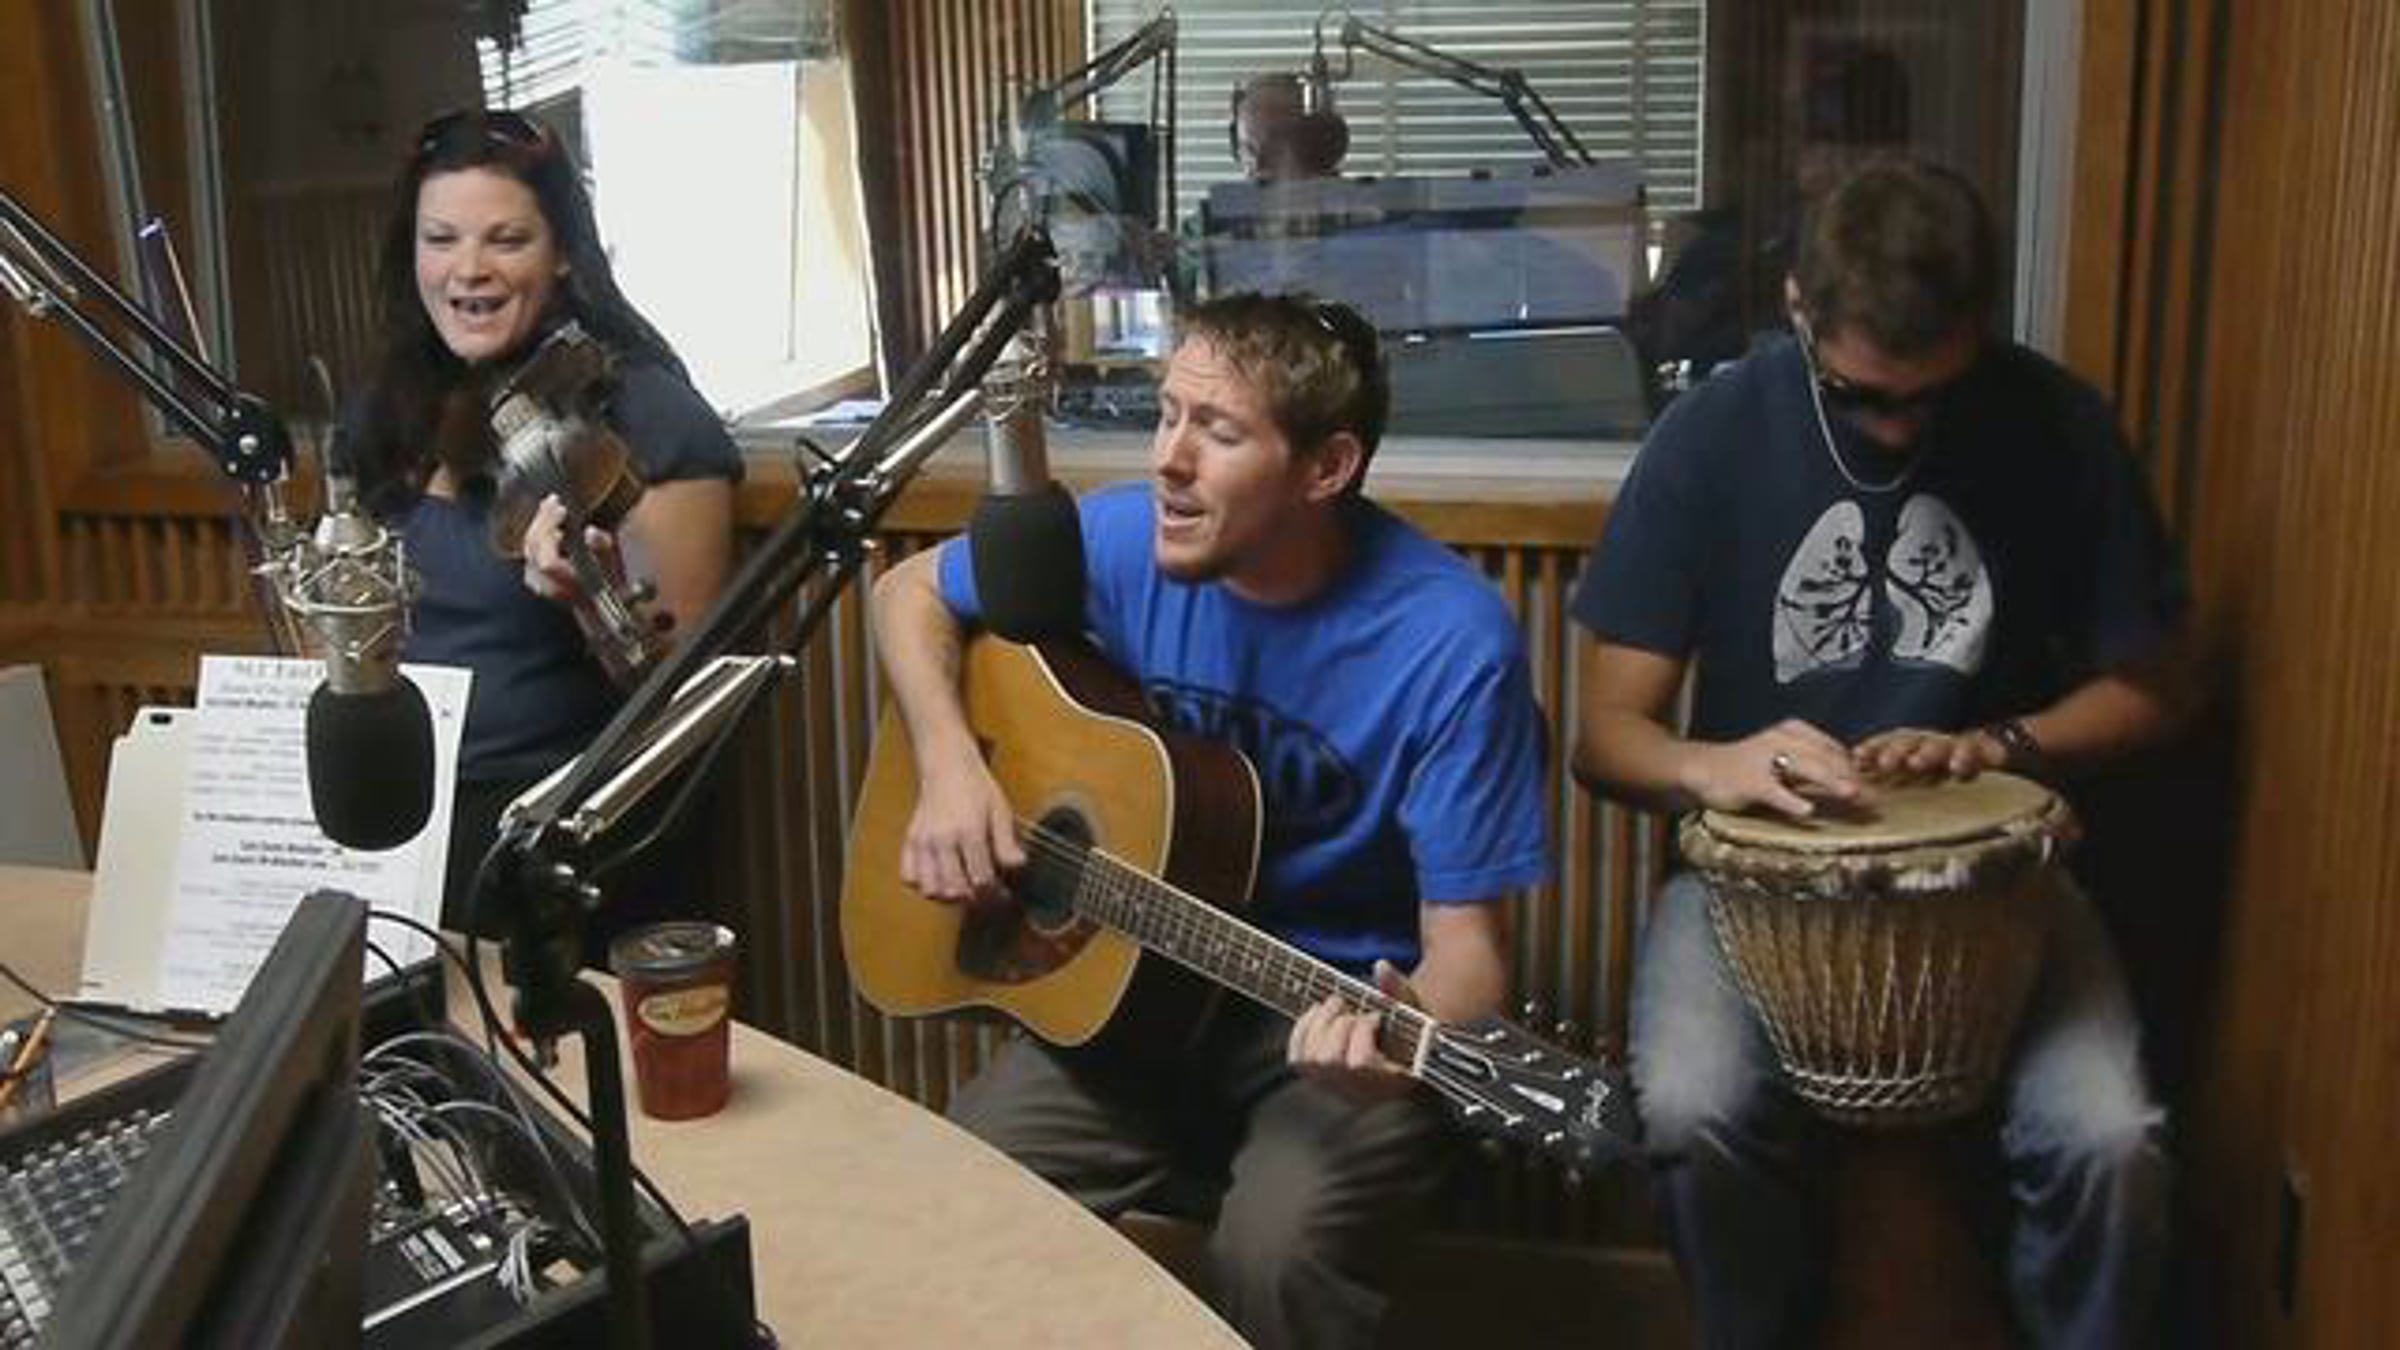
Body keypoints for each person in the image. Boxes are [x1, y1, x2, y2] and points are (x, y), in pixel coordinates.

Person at [1571, 156, 2183, 1348]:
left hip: (1997, 882)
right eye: (1860, 398)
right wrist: (1718, 765)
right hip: (1758, 880)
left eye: (1930, 397)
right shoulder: (1713, 436)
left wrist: (2004, 744)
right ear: (1797, 306)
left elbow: (2158, 692)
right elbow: (1607, 736)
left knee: (2112, 1141)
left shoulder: (2058, 425)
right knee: (1692, 1111)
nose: (1897, 428)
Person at [869, 292, 1550, 1349]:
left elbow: (1472, 965)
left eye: (1218, 432)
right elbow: (908, 592)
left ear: (1326, 468)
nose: (1168, 461)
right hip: (1133, 992)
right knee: (953, 1193)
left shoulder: (1452, 646)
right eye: (1166, 415)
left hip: (1325, 1024)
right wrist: (950, 763)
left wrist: (1392, 1044)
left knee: (1275, 1254)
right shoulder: (1121, 541)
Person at [343, 108, 742, 938]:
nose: (469, 269)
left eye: (507, 240)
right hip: (399, 806)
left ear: (561, 252)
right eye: (441, 239)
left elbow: (685, 702)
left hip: (556, 831)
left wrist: (588, 604)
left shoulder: (649, 416)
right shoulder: (388, 412)